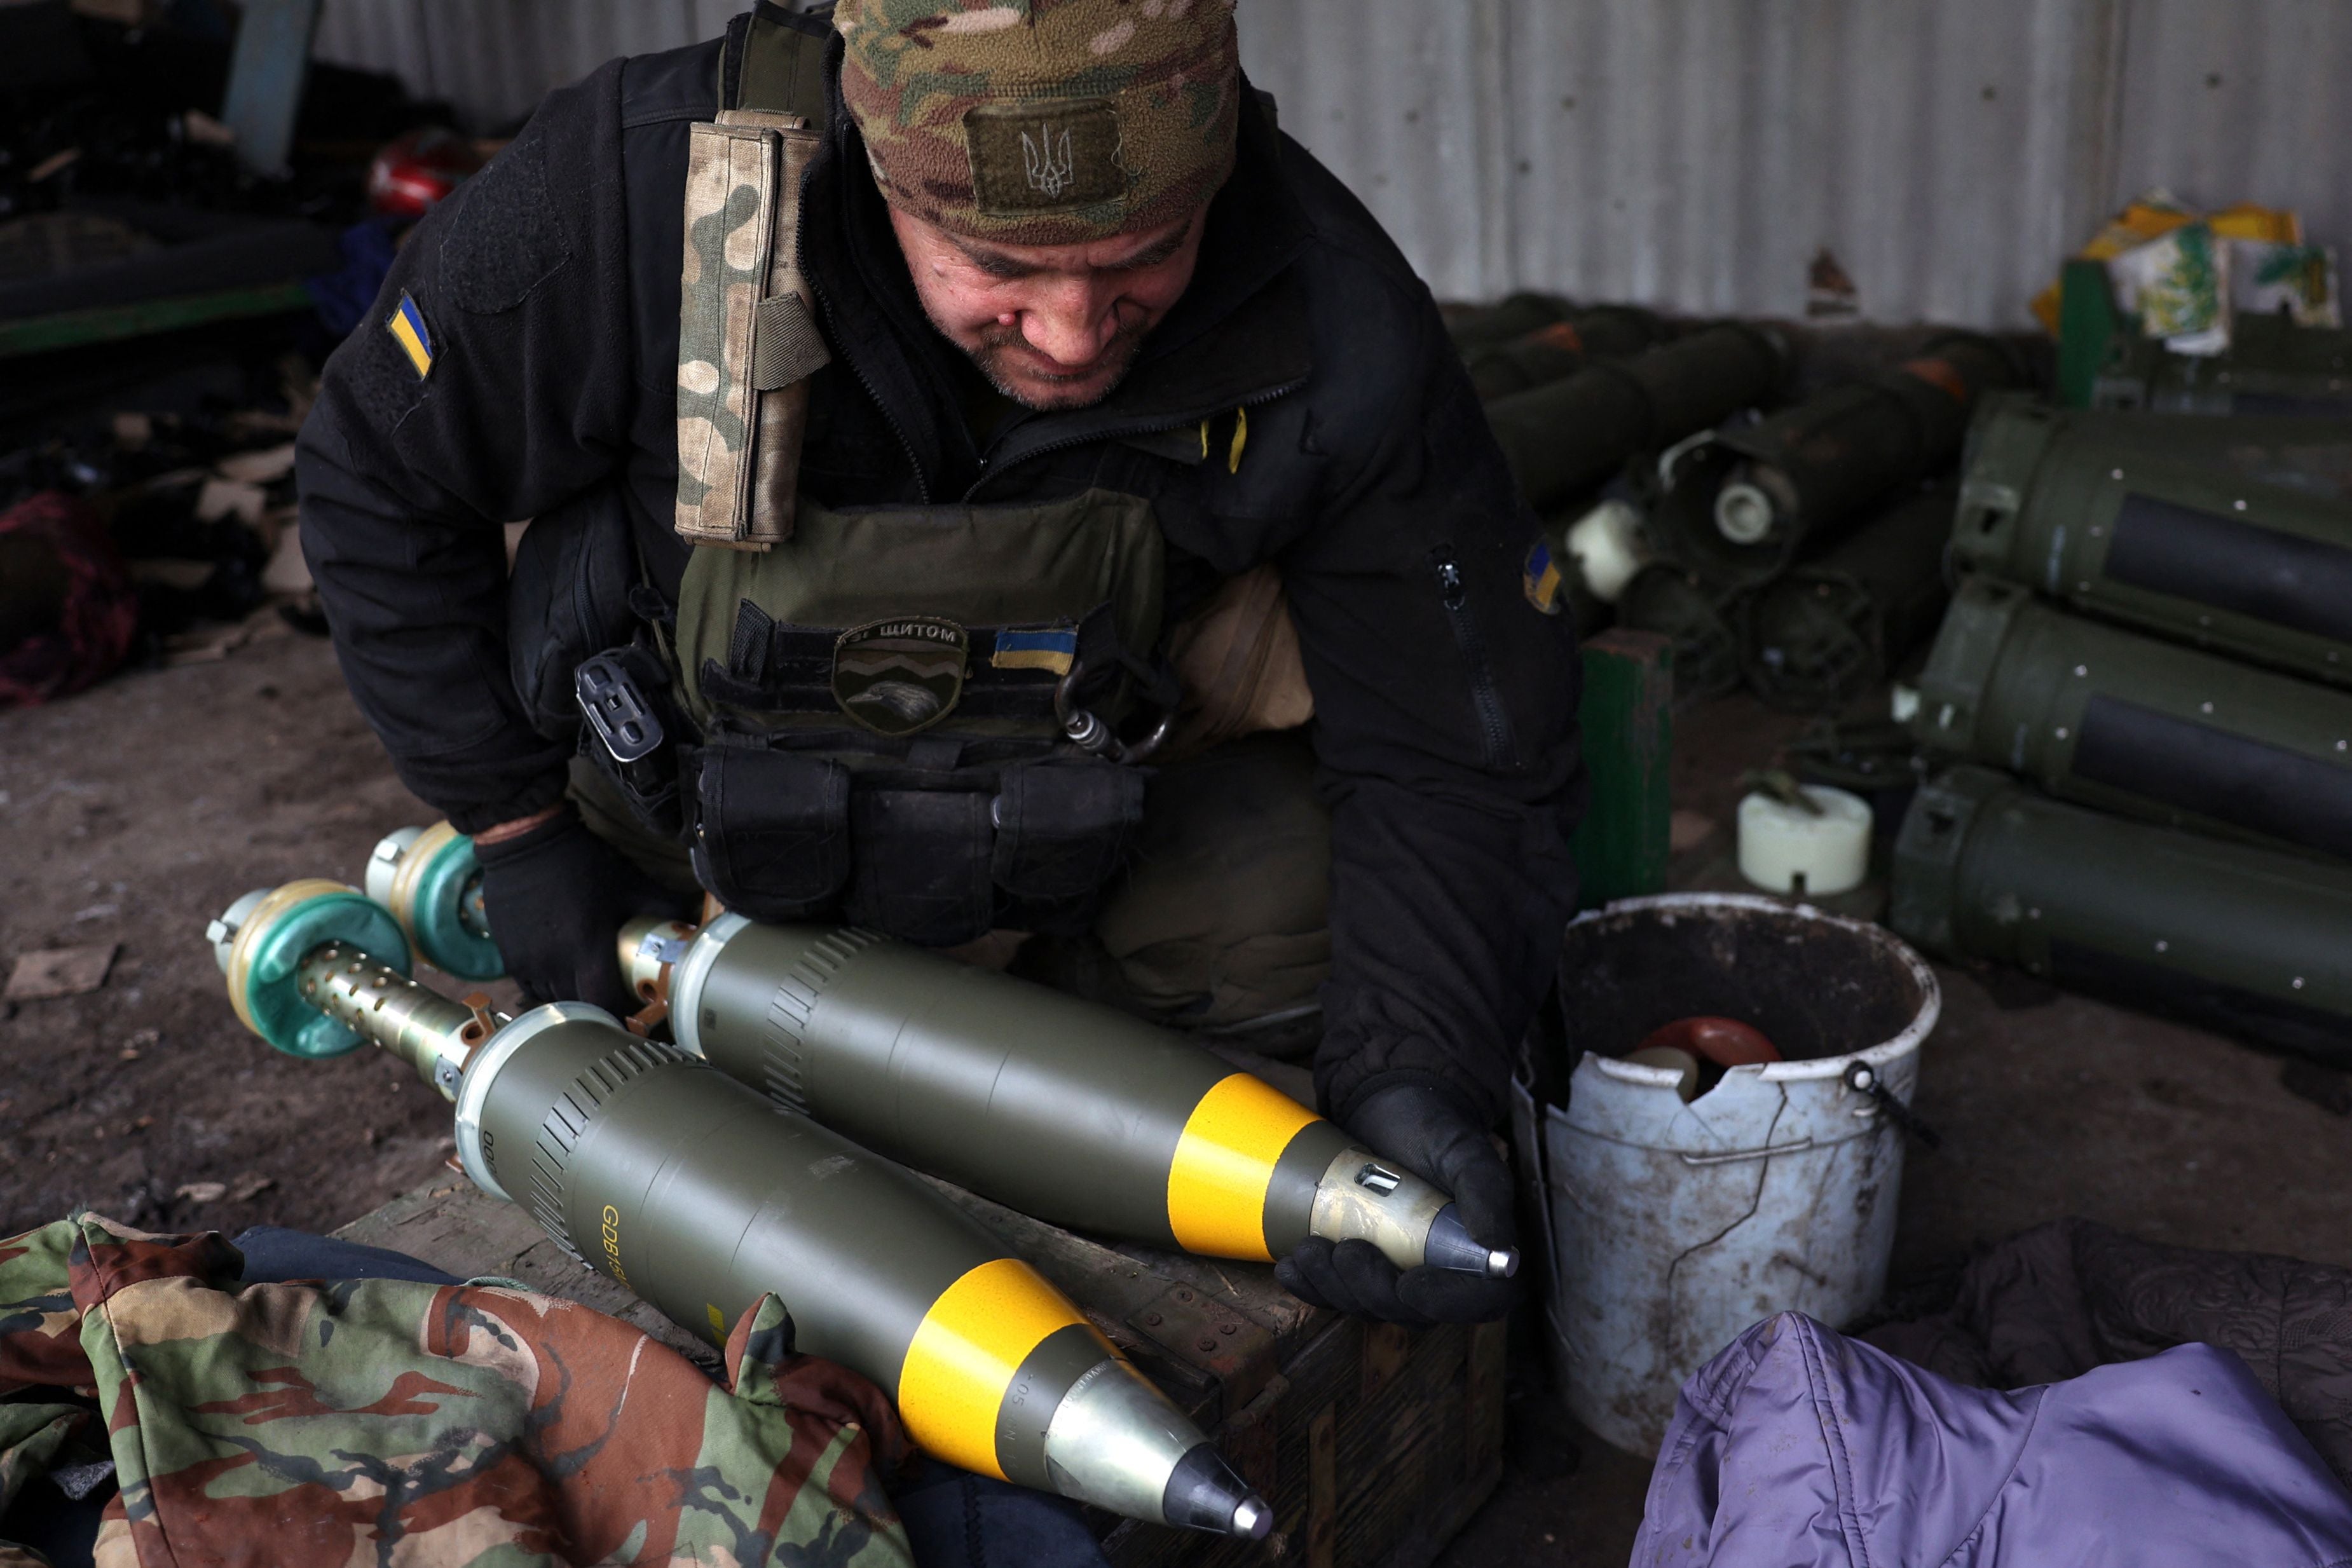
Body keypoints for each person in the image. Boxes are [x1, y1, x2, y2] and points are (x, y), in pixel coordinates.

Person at [296, 0, 1582, 1325]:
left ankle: (1003, 1050)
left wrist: (1415, 1075)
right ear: (872, 161)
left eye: (1142, 257)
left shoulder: (1329, 307)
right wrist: (515, 827)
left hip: (1079, 822)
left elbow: (1451, 748)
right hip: (683, 828)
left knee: (1299, 930)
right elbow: (374, 475)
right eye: (996, 264)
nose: (1073, 332)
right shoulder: (635, 192)